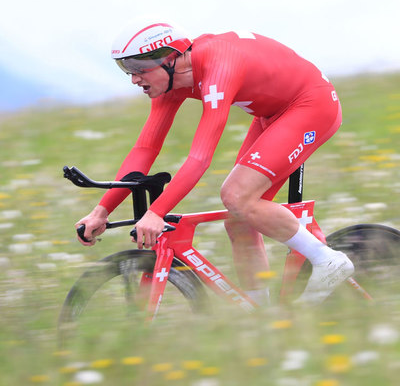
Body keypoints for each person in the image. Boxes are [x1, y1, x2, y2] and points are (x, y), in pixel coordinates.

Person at [76, 21, 354, 305]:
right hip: (273, 115)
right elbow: (144, 150)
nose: (134, 79)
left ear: (170, 58)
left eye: (138, 68)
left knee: (236, 195)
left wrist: (157, 212)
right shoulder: (168, 85)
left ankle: (328, 261)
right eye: (126, 69)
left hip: (311, 105)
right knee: (239, 220)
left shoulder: (217, 67)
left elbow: (200, 158)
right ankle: (263, 314)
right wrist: (101, 210)